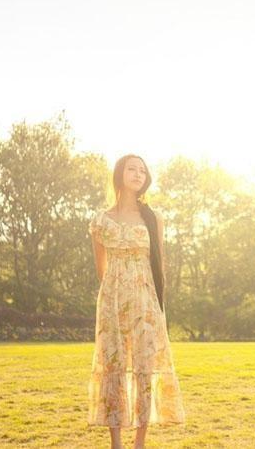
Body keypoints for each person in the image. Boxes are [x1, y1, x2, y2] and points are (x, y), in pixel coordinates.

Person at [87, 154, 186, 449]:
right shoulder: (101, 220)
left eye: (142, 170)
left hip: (146, 300)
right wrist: (115, 292)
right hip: (112, 301)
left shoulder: (153, 218)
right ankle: (116, 443)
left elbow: (160, 265)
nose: (138, 173)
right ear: (119, 174)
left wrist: (157, 304)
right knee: (113, 366)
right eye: (132, 168)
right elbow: (100, 267)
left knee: (144, 366)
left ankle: (140, 443)